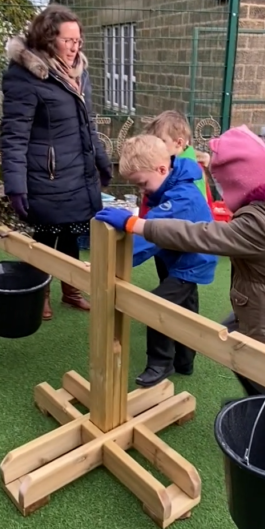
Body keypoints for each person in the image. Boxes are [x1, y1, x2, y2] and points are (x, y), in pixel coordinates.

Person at [97, 125, 265, 395]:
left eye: (225, 185)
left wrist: (136, 224)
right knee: (235, 348)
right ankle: (252, 407)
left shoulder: (261, 221)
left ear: (241, 181)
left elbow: (204, 235)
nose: (223, 194)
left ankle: (264, 419)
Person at [0, 4, 112, 321]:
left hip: (77, 173)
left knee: (72, 234)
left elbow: (86, 125)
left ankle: (71, 290)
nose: (75, 47)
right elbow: (14, 136)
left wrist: (101, 161)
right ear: (49, 39)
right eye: (68, 41)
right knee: (46, 239)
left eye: (78, 40)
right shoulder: (25, 76)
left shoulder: (79, 72)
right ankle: (42, 293)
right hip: (46, 177)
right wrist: (16, 186)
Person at [98, 134, 217, 388]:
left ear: (162, 169)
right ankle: (184, 361)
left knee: (157, 306)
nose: (142, 191)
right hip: (178, 256)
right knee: (185, 310)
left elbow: (151, 234)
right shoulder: (172, 184)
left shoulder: (181, 197)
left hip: (191, 262)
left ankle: (160, 363)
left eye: (142, 184)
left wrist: (109, 262)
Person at [139, 111, 213, 218]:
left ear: (179, 143)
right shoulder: (170, 164)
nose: (156, 146)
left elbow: (197, 208)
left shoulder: (192, 171)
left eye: (162, 141)